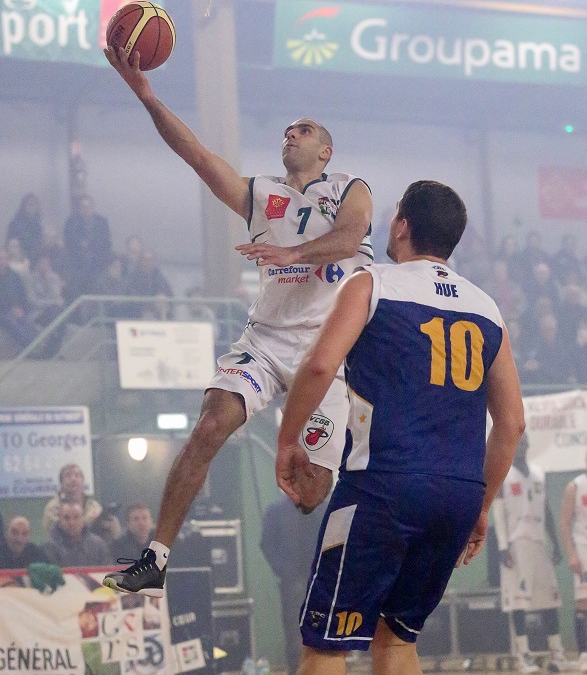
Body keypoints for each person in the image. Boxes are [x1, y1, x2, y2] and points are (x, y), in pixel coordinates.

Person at [102, 45, 373, 598]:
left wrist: (294, 255)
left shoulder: (348, 187)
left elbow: (350, 238)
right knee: (206, 427)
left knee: (312, 489)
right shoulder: (262, 195)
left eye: (302, 130)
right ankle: (156, 556)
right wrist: (146, 95)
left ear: (325, 148)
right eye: (286, 130)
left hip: (328, 349)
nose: (289, 135)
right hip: (267, 342)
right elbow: (198, 156)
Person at [275, 180, 525, 675]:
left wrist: (287, 439)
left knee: (326, 644)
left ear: (403, 225)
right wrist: (482, 505)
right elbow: (513, 422)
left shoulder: (373, 283)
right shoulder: (486, 308)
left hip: (383, 487)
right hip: (456, 497)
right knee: (397, 641)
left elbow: (322, 365)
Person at [494, 432, 574, 674]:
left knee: (550, 599)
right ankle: (523, 657)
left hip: (539, 542)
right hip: (516, 544)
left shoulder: (539, 472)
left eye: (525, 442)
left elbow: (546, 509)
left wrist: (556, 544)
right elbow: (497, 512)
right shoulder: (503, 473)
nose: (522, 445)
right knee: (519, 602)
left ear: (528, 445)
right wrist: (502, 547)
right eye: (518, 442)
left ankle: (557, 655)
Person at [261, 494, 325, 675]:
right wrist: (285, 571)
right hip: (293, 582)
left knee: (323, 635)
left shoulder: (325, 509)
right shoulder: (277, 511)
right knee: (294, 636)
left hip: (321, 581)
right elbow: (267, 544)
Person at [560, 454, 587, 672]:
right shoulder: (575, 486)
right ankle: (583, 654)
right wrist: (571, 554)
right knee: (583, 602)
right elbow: (564, 522)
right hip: (583, 549)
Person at [42, 502, 112, 567]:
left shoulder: (98, 546)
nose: (72, 522)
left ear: (83, 520)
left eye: (76, 517)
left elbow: (108, 575)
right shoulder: (49, 548)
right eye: (66, 518)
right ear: (59, 521)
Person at [42, 462, 102, 537]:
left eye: (77, 475)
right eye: (68, 476)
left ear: (83, 481)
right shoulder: (53, 507)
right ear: (61, 483)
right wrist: (87, 520)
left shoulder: (93, 505)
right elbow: (58, 533)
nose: (73, 479)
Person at [6, 193, 44, 264]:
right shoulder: (15, 225)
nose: (32, 207)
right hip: (18, 262)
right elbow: (9, 244)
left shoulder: (38, 226)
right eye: (29, 204)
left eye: (34, 205)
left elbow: (39, 244)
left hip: (35, 262)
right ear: (23, 207)